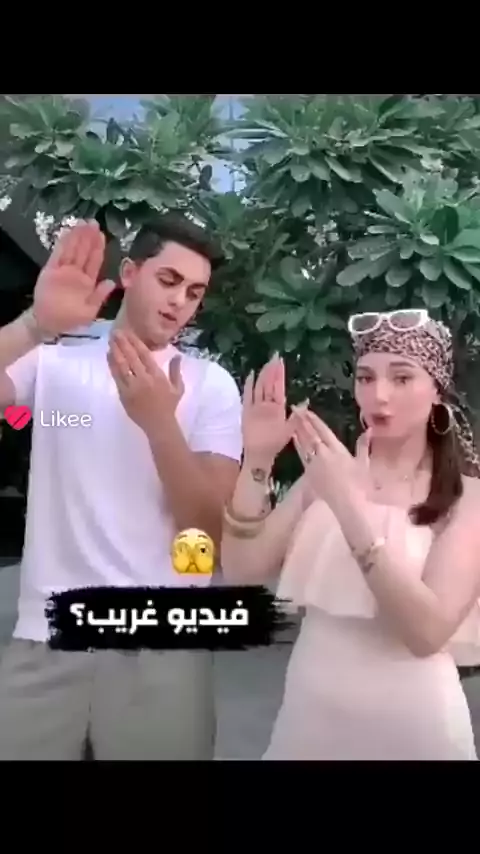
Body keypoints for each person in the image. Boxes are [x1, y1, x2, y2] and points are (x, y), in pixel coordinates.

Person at [0, 216, 242, 760]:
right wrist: (33, 325)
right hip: (47, 635)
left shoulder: (209, 385)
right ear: (130, 273)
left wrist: (160, 426)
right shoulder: (55, 358)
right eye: (169, 280)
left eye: (194, 292)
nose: (180, 301)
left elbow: (207, 532)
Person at [221, 309, 480, 760]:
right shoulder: (326, 472)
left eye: (402, 378)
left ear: (436, 390)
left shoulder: (466, 497)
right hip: (310, 717)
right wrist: (258, 459)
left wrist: (347, 505)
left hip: (414, 727)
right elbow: (242, 569)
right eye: (366, 378)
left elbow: (427, 633)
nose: (379, 395)